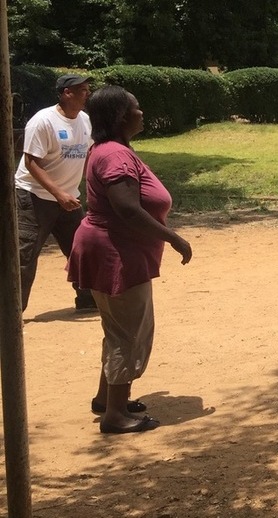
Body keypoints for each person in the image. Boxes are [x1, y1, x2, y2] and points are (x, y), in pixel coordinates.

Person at [68, 86, 193, 433]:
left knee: (116, 328)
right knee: (128, 334)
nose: (142, 113)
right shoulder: (115, 156)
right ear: (122, 117)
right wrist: (174, 238)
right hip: (115, 254)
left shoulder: (110, 150)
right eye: (137, 109)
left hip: (112, 249)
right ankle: (116, 416)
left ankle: (107, 399)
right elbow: (126, 208)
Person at [15, 73, 97, 313]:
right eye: (82, 90)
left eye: (87, 89)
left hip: (69, 198)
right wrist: (58, 193)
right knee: (25, 254)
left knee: (82, 249)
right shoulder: (43, 121)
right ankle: (12, 313)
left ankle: (87, 299)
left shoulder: (85, 120)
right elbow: (31, 162)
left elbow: (89, 153)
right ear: (66, 93)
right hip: (34, 196)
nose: (87, 94)